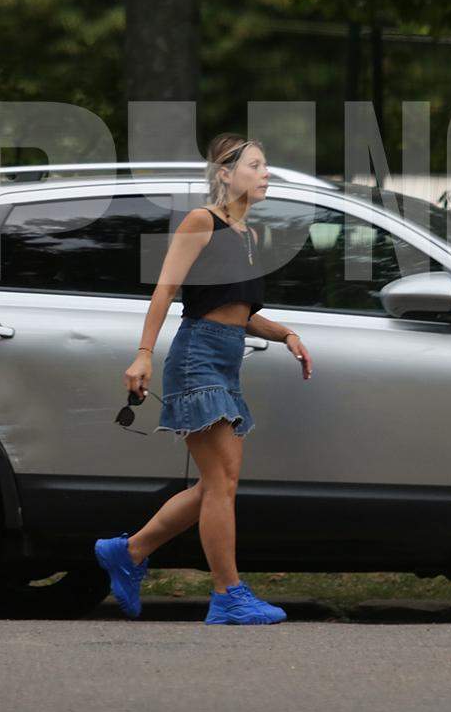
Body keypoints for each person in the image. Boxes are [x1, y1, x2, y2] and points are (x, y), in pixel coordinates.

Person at [94, 135, 314, 625]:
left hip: (225, 358)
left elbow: (239, 313)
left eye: (265, 165)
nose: (265, 173)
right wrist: (144, 354)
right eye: (256, 165)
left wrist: (285, 334)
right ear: (225, 174)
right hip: (197, 356)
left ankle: (127, 553)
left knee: (220, 483)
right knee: (220, 484)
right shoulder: (202, 222)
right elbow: (166, 289)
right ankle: (228, 594)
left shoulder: (248, 236)